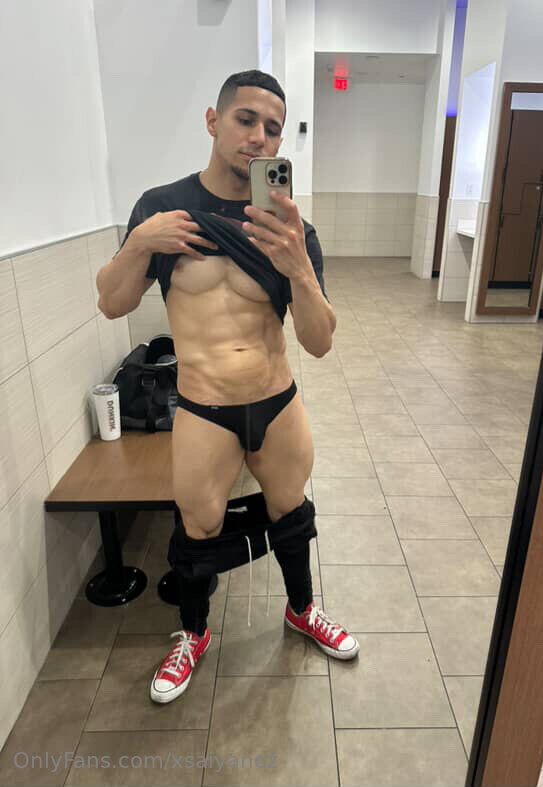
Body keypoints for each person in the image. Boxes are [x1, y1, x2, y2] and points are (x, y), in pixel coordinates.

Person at [96, 69, 359, 705]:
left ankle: (302, 609)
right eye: (245, 120)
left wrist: (297, 266)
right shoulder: (163, 209)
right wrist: (140, 243)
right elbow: (112, 302)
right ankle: (192, 634)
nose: (258, 137)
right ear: (213, 122)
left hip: (276, 400)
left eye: (273, 128)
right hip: (204, 407)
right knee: (198, 529)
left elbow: (320, 341)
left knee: (291, 513)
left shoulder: (290, 228)